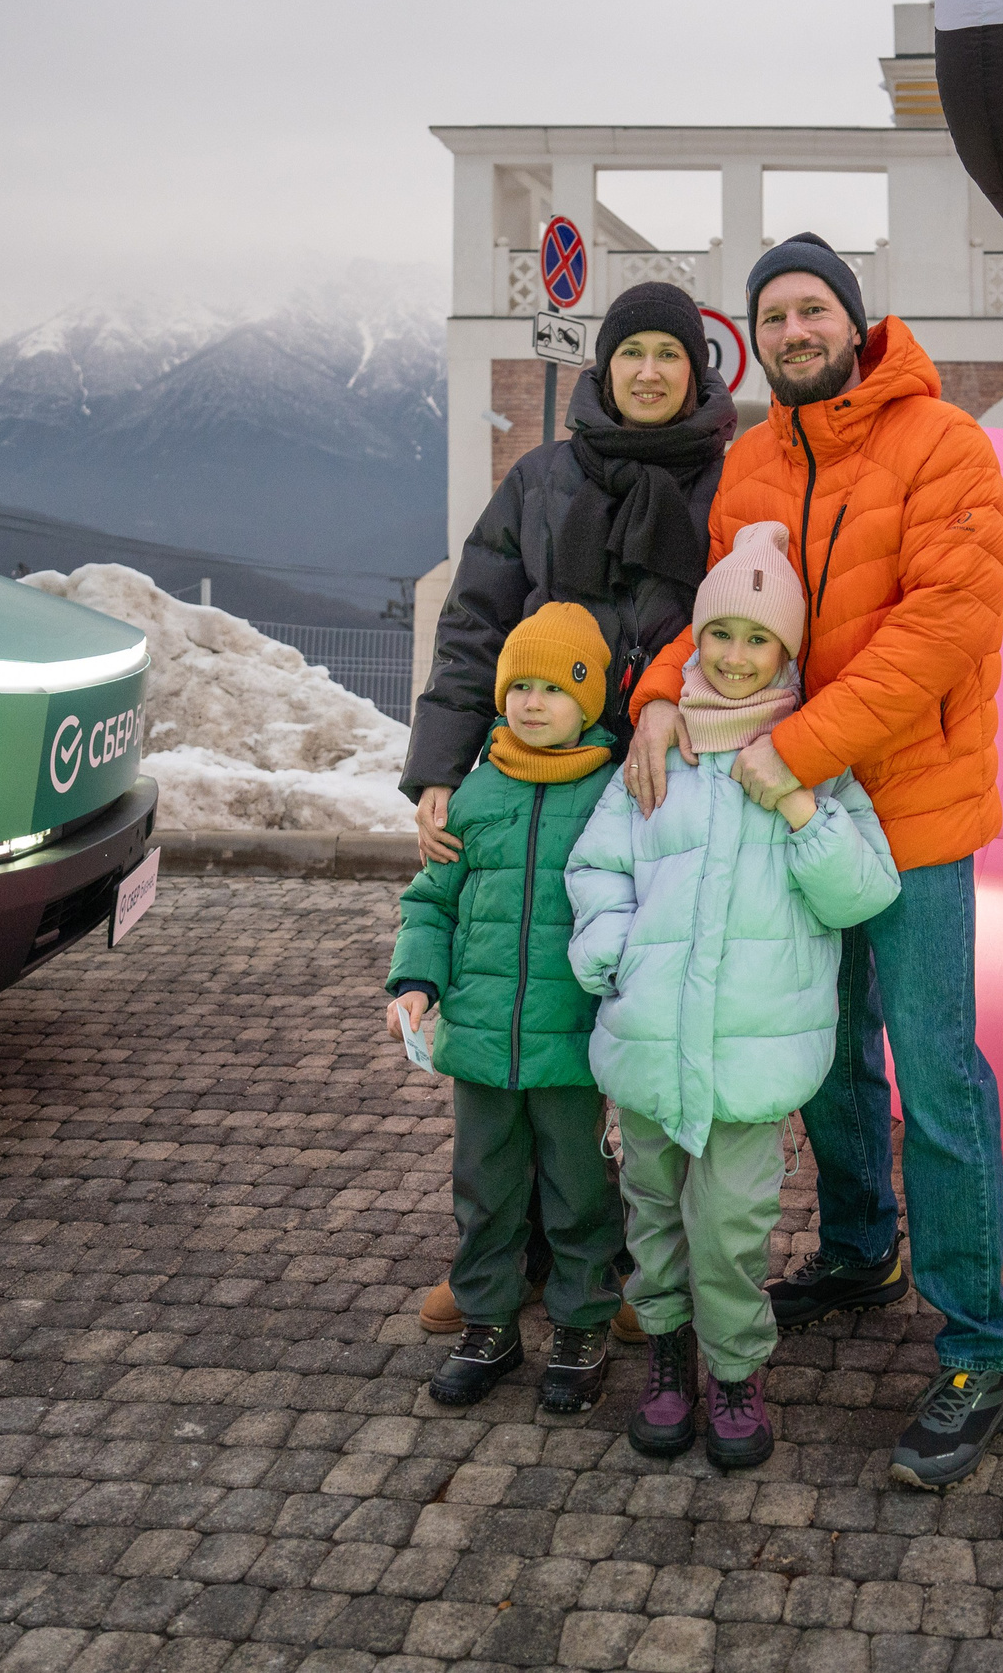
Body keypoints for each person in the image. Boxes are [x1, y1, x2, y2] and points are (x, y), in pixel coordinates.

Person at [620, 233, 1003, 1492]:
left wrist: (794, 748)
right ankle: (858, 1246)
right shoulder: (748, 459)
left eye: (811, 309)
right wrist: (655, 696)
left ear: (854, 321)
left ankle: (976, 1343)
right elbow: (719, 620)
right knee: (826, 1056)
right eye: (772, 315)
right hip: (782, 809)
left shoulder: (945, 445)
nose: (793, 330)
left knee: (935, 1075)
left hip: (906, 812)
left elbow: (944, 628)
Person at [402, 279, 736, 1336]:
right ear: (603, 365)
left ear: (697, 368)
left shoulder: (734, 476)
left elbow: (750, 627)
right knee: (532, 1015)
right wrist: (441, 767)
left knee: (647, 1030)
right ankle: (508, 1258)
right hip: (537, 778)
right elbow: (473, 625)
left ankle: (645, 1267)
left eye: (667, 354)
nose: (648, 370)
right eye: (630, 350)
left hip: (667, 779)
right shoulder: (540, 477)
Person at [567, 524, 899, 1470]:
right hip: (650, 1038)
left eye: (761, 641)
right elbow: (599, 868)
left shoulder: (816, 762)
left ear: (789, 654)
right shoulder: (656, 758)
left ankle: (738, 1371)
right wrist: (611, 956)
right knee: (657, 1216)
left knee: (732, 1227)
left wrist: (797, 804)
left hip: (749, 1058)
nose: (737, 658)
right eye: (722, 635)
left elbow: (863, 890)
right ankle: (668, 1361)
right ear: (698, 641)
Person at [386, 603, 627, 1412]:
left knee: (578, 1190)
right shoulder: (474, 792)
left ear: (588, 701)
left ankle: (583, 1323)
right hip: (483, 1043)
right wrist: (414, 981)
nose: (531, 701)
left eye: (554, 687)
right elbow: (431, 902)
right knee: (485, 1189)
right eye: (518, 684)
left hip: (572, 1045)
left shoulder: (615, 793)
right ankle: (488, 1324)